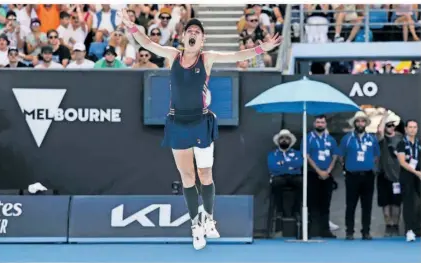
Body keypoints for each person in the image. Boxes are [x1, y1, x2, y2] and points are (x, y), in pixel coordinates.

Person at [120, 9, 281, 250]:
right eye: (190, 31)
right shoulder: (172, 55)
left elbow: (238, 54)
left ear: (202, 40)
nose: (193, 34)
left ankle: (208, 218)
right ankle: (196, 224)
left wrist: (261, 49)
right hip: (177, 123)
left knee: (205, 175)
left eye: (198, 32)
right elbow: (146, 42)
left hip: (201, 123)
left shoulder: (207, 58)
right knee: (187, 178)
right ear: (183, 37)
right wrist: (131, 26)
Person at [340, 111, 380, 240]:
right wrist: (347, 167)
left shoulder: (372, 138)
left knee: (367, 205)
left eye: (363, 121)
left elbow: (376, 156)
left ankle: (366, 232)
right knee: (350, 204)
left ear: (366, 123)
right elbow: (341, 156)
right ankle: (349, 231)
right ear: (354, 123)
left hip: (368, 176)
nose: (360, 123)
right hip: (352, 176)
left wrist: (369, 165)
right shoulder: (347, 138)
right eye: (358, 121)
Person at [305, 115, 338, 238]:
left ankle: (325, 230)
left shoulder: (330, 139)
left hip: (327, 175)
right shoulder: (308, 138)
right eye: (318, 122)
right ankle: (312, 231)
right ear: (314, 124)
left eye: (322, 122)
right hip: (313, 174)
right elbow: (306, 156)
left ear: (325, 124)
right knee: (312, 203)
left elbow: (335, 156)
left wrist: (327, 171)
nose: (320, 124)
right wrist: (319, 171)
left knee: (325, 204)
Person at [376, 110, 403, 237]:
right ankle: (388, 226)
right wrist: (385, 116)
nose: (391, 127)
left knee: (396, 203)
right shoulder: (382, 139)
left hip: (397, 176)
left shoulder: (400, 138)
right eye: (388, 125)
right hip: (383, 175)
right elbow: (380, 131)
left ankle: (396, 227)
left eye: (393, 125)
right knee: (385, 204)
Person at [268, 129, 303, 220]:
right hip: (279, 177)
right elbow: (273, 167)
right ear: (278, 141)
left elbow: (299, 164)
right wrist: (290, 165)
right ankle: (280, 211)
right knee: (276, 182)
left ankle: (296, 211)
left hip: (294, 177)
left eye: (287, 138)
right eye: (282, 138)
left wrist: (282, 164)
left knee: (302, 182)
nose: (284, 140)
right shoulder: (272, 154)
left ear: (290, 141)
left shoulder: (297, 153)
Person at [396, 120, 421, 242]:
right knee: (409, 203)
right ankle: (409, 230)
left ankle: (418, 228)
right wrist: (416, 172)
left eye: (414, 127)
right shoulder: (401, 144)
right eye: (410, 127)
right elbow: (402, 162)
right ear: (405, 129)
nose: (412, 129)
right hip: (407, 175)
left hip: (419, 175)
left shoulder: (419, 143)